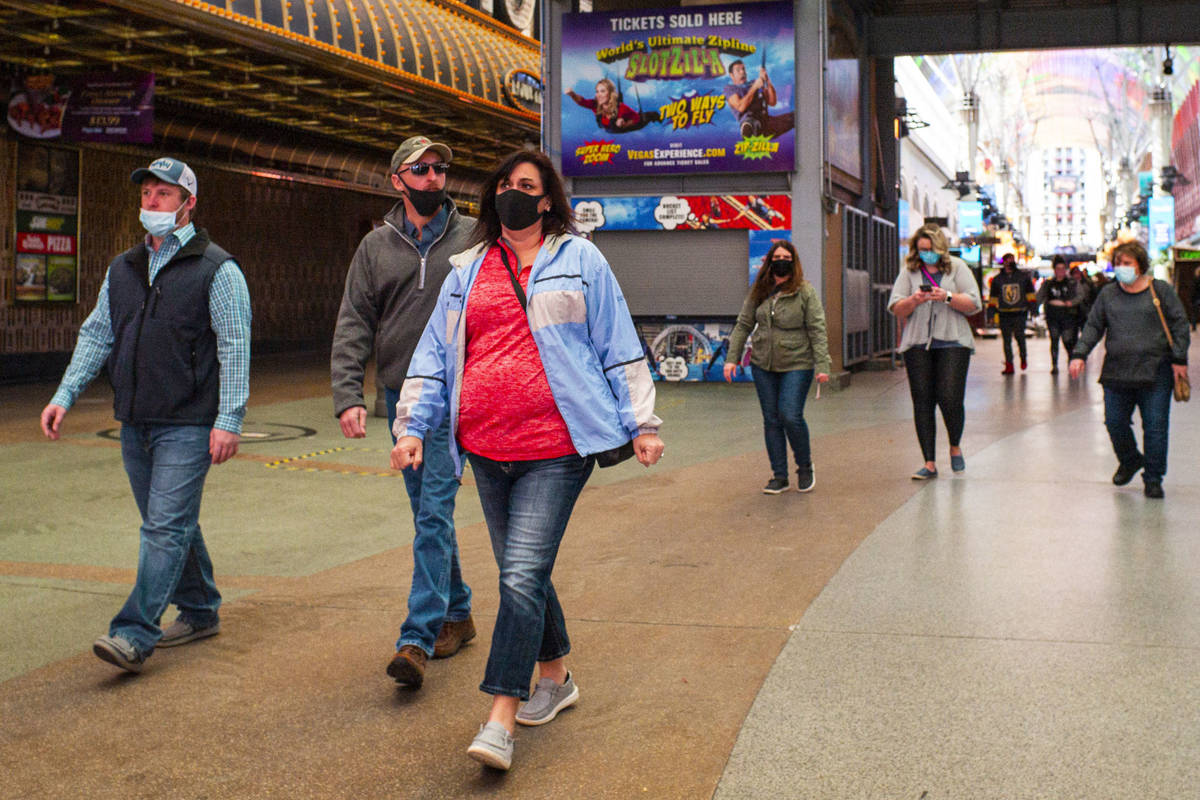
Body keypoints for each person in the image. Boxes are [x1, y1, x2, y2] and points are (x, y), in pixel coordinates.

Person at [390, 149, 664, 771]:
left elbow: (618, 345)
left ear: (546, 200)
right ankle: (557, 676)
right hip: (487, 448)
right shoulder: (469, 267)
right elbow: (435, 354)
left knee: (516, 577)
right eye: (504, 185)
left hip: (557, 448)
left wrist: (642, 423)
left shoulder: (581, 260)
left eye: (526, 186)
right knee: (526, 572)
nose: (511, 193)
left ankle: (500, 717)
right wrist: (412, 427)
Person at [39, 157, 251, 673]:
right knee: (171, 524)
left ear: (188, 203)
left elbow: (235, 345)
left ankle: (133, 633)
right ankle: (200, 610)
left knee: (163, 528)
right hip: (135, 419)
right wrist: (64, 394)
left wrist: (229, 419)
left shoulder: (217, 269)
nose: (151, 203)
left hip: (189, 420)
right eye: (146, 194)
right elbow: (97, 334)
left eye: (163, 194)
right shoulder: (124, 267)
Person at [331, 135, 475, 690]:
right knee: (427, 513)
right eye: (421, 169)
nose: (434, 176)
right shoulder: (376, 247)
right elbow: (354, 322)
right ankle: (457, 615)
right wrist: (348, 394)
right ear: (398, 180)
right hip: (400, 399)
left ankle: (416, 638)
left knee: (434, 510)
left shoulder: (473, 238)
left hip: (456, 396)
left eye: (441, 167)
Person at [1068, 241, 1190, 499]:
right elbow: (1093, 326)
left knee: (1156, 426)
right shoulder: (1108, 295)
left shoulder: (1160, 291)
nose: (1122, 268)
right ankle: (1131, 459)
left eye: (1127, 264)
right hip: (1116, 372)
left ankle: (1154, 478)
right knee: (1114, 422)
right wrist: (1079, 354)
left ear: (1140, 265)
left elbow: (1179, 323)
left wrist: (1179, 357)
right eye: (1119, 264)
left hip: (1155, 371)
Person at [723, 241, 831, 494]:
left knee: (790, 415)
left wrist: (822, 364)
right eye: (777, 256)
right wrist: (732, 358)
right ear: (770, 261)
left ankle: (804, 466)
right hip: (763, 364)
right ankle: (779, 475)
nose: (781, 260)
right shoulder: (759, 290)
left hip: (797, 363)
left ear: (794, 262)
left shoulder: (805, 291)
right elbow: (743, 325)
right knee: (771, 419)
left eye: (786, 256)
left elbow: (817, 328)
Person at [888, 225, 982, 479]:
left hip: (953, 342)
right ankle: (929, 462)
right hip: (918, 344)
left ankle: (954, 445)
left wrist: (948, 296)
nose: (926, 254)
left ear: (940, 248)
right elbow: (896, 307)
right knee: (923, 402)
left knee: (950, 398)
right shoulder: (909, 272)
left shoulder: (958, 268)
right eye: (921, 250)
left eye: (930, 250)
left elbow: (974, 304)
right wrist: (914, 300)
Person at [988, 252, 1037, 374]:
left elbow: (1030, 294)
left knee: (1020, 338)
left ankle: (1023, 358)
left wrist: (1033, 309)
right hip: (1004, 313)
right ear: (1004, 262)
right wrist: (991, 314)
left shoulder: (1023, 278)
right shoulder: (997, 280)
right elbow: (993, 298)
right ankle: (1009, 365)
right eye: (1008, 260)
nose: (1011, 262)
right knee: (1006, 341)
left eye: (1012, 260)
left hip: (1020, 312)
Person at [723, 59, 794, 139]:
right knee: (751, 123)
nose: (742, 72)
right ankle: (749, 134)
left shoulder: (754, 82)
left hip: (767, 122)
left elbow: (772, 102)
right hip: (751, 121)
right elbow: (740, 107)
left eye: (743, 69)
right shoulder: (730, 89)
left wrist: (768, 82)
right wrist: (755, 87)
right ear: (732, 75)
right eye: (738, 70)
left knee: (794, 116)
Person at [1037, 255, 1084, 374]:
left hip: (1068, 316)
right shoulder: (1048, 284)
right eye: (1058, 269)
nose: (1060, 272)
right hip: (1053, 315)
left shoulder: (1072, 283)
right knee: (1054, 339)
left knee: (1068, 340)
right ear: (1054, 270)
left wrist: (1071, 303)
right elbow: (1040, 296)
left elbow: (1080, 295)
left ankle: (1070, 359)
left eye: (1063, 269)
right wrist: (1034, 307)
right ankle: (1055, 365)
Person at [565, 78, 659, 133]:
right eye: (597, 91)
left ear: (610, 93)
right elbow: (582, 101)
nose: (599, 94)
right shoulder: (595, 105)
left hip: (637, 123)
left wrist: (625, 124)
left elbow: (636, 119)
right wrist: (572, 94)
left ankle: (657, 116)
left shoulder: (622, 108)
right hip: (612, 130)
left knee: (651, 115)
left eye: (602, 91)